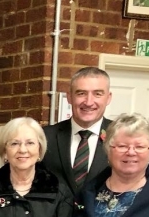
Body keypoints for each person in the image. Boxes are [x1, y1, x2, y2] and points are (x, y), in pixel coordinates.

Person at [43, 67, 113, 195]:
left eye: (98, 94)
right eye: (81, 93)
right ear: (69, 97)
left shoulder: (122, 136)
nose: (89, 102)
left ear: (108, 98)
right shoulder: (45, 137)